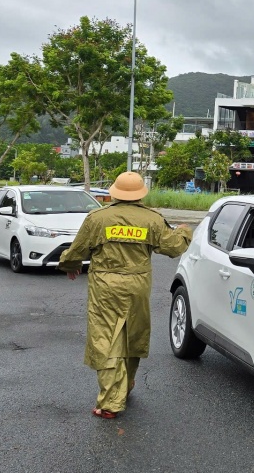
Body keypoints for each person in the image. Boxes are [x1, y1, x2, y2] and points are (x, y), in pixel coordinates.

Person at [58, 172, 195, 419]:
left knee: (106, 338)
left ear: (114, 193)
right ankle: (126, 383)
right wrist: (185, 232)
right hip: (138, 284)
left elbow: (77, 249)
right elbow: (173, 247)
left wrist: (69, 265)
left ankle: (111, 401)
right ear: (141, 193)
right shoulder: (152, 219)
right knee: (132, 333)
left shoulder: (98, 218)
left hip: (105, 285)